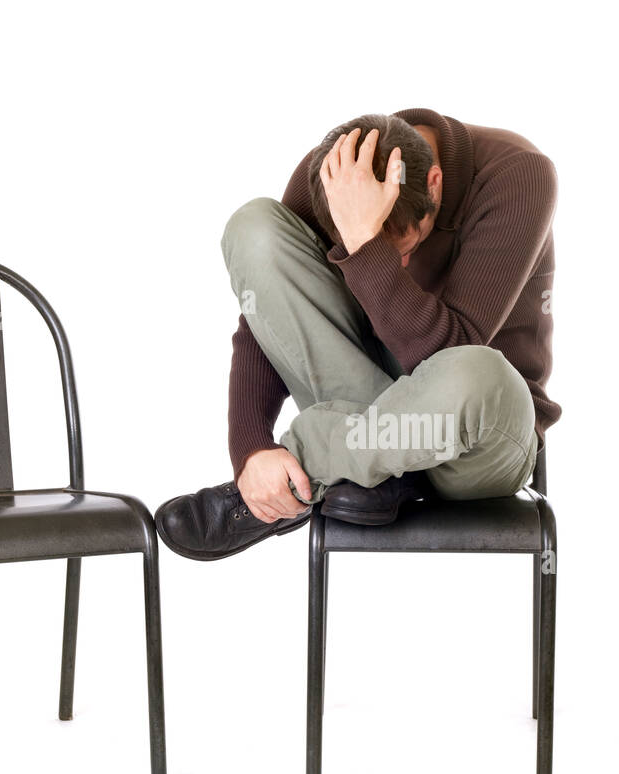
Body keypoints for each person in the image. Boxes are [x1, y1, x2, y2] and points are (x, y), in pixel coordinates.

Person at [155, 108, 560, 560]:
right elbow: (266, 321)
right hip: (374, 408)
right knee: (255, 228)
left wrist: (366, 247)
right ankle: (384, 471)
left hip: (475, 431)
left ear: (435, 184)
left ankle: (303, 472)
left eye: (409, 247)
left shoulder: (517, 173)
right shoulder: (330, 181)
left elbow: (447, 354)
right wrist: (251, 451)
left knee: (474, 368)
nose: (397, 268)